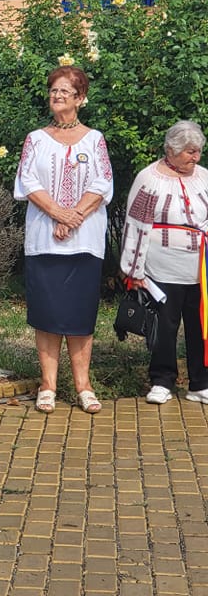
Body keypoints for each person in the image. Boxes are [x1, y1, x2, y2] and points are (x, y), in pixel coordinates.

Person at [14, 65, 113, 414]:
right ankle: (48, 385)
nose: (57, 96)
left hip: (85, 241)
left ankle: (84, 385)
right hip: (44, 240)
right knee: (48, 313)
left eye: (65, 92)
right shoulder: (35, 139)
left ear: (80, 99)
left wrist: (74, 218)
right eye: (54, 90)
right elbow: (27, 181)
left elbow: (102, 184)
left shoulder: (94, 139)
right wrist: (58, 213)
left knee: (80, 314)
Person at [120, 120, 208, 405]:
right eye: (189, 152)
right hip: (161, 267)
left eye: (197, 151)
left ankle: (200, 383)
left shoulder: (204, 177)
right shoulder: (149, 178)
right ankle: (161, 381)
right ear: (171, 151)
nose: (195, 157)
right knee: (165, 326)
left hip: (200, 268)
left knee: (201, 326)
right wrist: (134, 269)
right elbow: (134, 224)